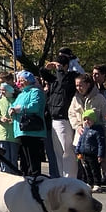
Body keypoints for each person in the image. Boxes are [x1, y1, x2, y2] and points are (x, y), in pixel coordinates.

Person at [41, 48, 83, 178]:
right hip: (54, 119)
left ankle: (70, 177)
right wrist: (47, 69)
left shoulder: (71, 77)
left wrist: (60, 69)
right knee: (57, 151)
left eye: (60, 65)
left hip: (65, 119)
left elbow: (64, 84)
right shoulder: (55, 81)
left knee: (67, 150)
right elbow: (44, 75)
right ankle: (61, 176)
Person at [9, 71, 48, 176]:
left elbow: (35, 106)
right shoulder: (21, 94)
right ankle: (27, 176)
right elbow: (13, 105)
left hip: (32, 130)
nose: (19, 82)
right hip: (22, 130)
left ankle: (35, 177)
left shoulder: (36, 92)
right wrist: (11, 110)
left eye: (22, 80)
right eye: (19, 80)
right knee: (24, 157)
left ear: (28, 81)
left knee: (33, 156)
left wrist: (19, 109)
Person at [0, 81, 19, 173]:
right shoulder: (0, 102)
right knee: (3, 157)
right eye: (1, 90)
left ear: (9, 91)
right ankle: (5, 174)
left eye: (4, 90)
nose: (2, 92)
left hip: (14, 134)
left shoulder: (16, 101)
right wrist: (0, 118)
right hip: (2, 133)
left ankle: (14, 175)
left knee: (13, 158)